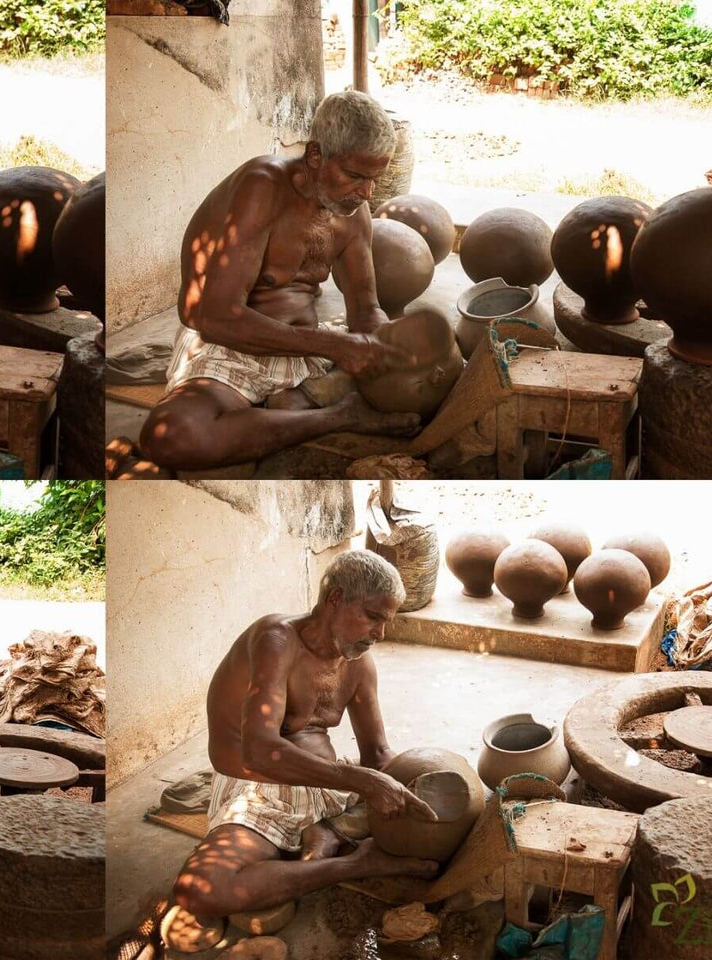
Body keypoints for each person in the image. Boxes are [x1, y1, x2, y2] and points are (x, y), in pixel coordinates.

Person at [140, 91, 421, 472]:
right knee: (171, 435)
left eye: (375, 179)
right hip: (230, 347)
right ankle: (335, 415)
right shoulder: (262, 189)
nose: (367, 192)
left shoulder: (353, 211)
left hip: (309, 350)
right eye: (355, 176)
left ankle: (295, 401)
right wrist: (335, 346)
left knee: (426, 371)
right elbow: (217, 318)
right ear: (316, 155)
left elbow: (366, 308)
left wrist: (382, 347)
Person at [170, 551, 438, 925]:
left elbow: (376, 753)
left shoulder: (358, 663)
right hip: (259, 789)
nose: (380, 635)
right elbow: (259, 752)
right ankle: (356, 863)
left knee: (432, 803)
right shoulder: (275, 640)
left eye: (386, 622)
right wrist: (363, 780)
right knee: (199, 889)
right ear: (335, 600)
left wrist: (410, 784)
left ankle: (323, 830)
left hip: (329, 786)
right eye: (373, 617)